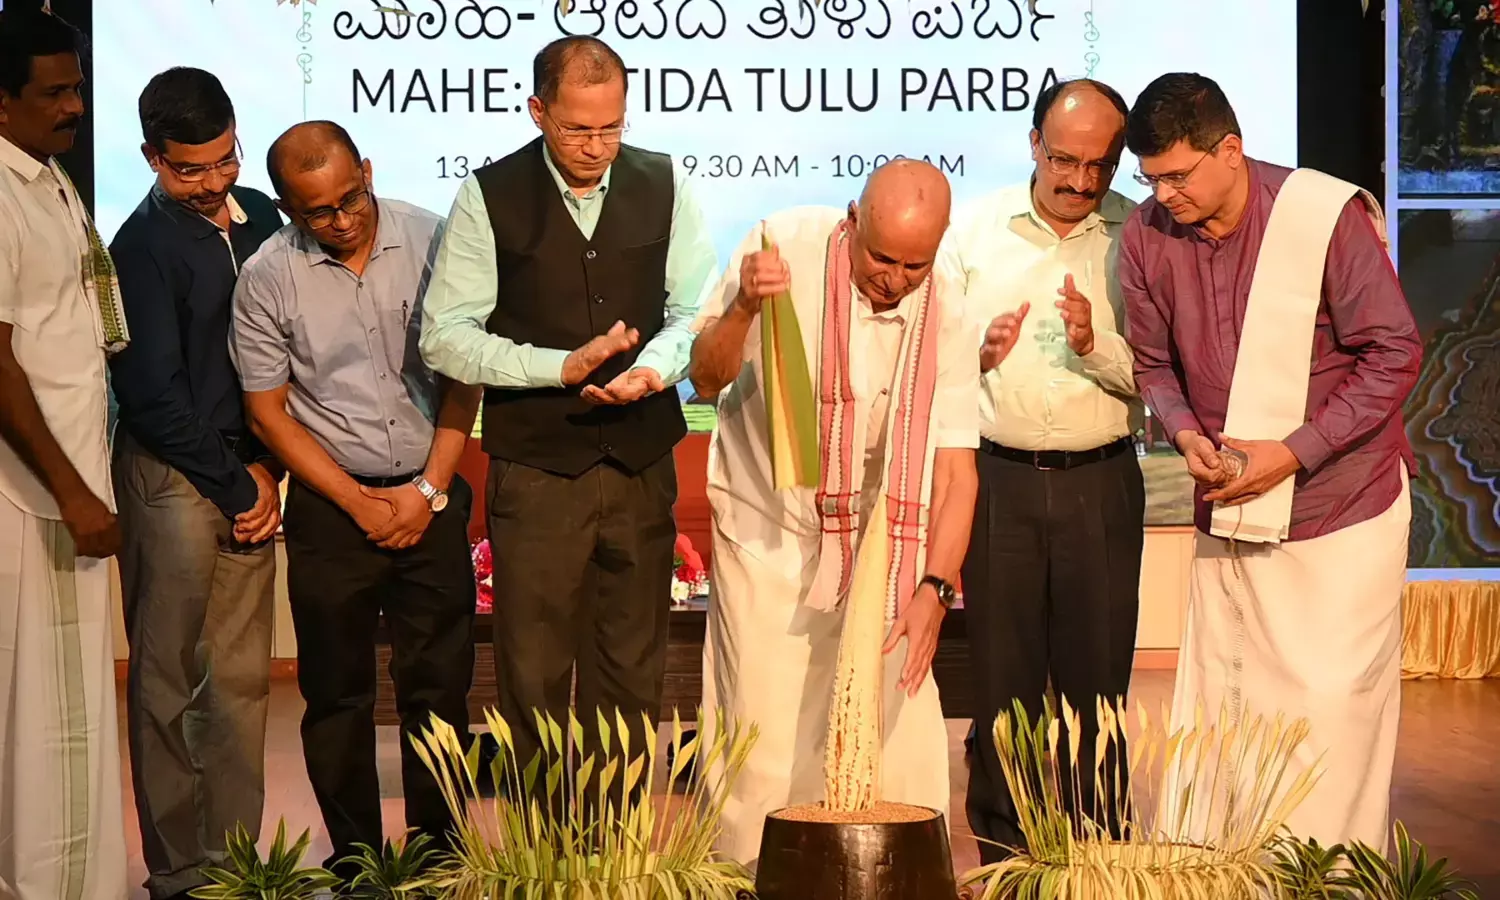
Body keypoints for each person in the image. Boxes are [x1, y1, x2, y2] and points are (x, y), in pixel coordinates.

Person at [1119, 73, 1421, 851]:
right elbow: (1153, 365)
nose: (1165, 196)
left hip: (1340, 505)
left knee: (1327, 713)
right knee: (1227, 708)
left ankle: (1324, 881)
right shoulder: (1147, 235)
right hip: (1232, 507)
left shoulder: (1320, 217)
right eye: (1151, 180)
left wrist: (1292, 453)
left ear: (1231, 149)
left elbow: (1394, 353)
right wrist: (1184, 432)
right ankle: (1226, 878)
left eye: (1178, 176)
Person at [419, 36, 717, 774]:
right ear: (537, 111)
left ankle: (616, 835)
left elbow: (693, 311)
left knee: (632, 671)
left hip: (640, 462)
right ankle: (544, 837)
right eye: (577, 129)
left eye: (612, 127)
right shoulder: (488, 196)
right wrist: (559, 367)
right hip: (537, 471)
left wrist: (652, 371)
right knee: (534, 674)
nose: (596, 146)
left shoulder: (665, 182)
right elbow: (445, 337)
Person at [688, 159, 980, 866]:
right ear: (853, 220)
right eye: (882, 259)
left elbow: (954, 470)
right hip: (769, 531)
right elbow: (705, 376)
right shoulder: (779, 247)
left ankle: (891, 877)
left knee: (895, 732)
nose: (895, 280)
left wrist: (934, 589)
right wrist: (744, 307)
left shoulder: (948, 305)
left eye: (915, 265)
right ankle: (756, 877)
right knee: (762, 734)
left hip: (883, 540)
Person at [230, 121, 482, 876]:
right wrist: (357, 502)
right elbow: (267, 413)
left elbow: (464, 374)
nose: (342, 220)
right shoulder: (268, 276)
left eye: (352, 198)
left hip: (430, 496)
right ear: (286, 208)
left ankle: (438, 859)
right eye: (319, 212)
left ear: (368, 171)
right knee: (336, 696)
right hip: (331, 512)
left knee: (438, 691)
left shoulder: (435, 240)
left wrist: (429, 489)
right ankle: (359, 865)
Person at [939, 78, 1143, 863]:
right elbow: (929, 356)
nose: (1081, 181)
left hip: (1102, 480)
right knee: (1003, 687)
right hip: (1000, 482)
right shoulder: (975, 230)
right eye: (1064, 160)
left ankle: (1099, 859)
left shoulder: (1141, 234)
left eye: (1100, 165)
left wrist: (1097, 348)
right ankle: (1007, 862)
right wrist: (976, 354)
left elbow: (1165, 371)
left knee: (1099, 688)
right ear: (1033, 144)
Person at [106, 67, 283, 900]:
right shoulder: (140, 248)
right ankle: (179, 873)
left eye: (225, 160)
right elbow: (152, 395)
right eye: (190, 169)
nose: (213, 182)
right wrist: (240, 486)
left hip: (253, 475)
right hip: (174, 480)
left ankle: (235, 866)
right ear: (152, 157)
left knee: (241, 684)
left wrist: (269, 468)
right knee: (167, 684)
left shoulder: (266, 219)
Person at [0, 8, 129, 898]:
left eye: (78, 88)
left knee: (72, 707)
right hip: (33, 496)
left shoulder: (46, 176)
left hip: (72, 484)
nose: (75, 106)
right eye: (55, 92)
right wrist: (72, 492)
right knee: (42, 720)